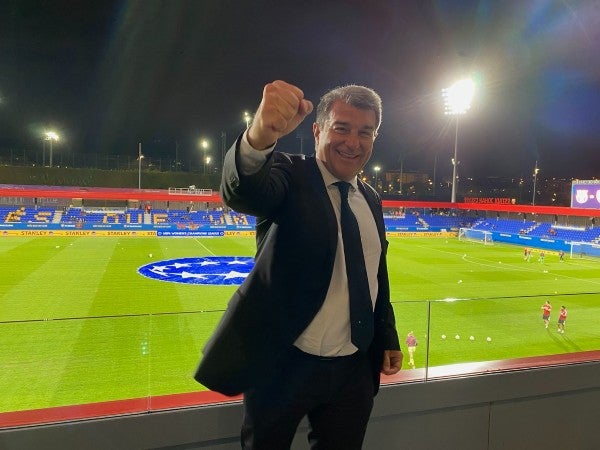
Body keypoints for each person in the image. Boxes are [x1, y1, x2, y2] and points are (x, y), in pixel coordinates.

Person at [195, 80, 402, 449]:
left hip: (353, 368)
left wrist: (386, 336)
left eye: (365, 132)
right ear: (318, 130)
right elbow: (244, 190)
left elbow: (375, 274)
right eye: (342, 128)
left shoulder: (371, 199)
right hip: (283, 364)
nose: (353, 142)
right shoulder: (290, 176)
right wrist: (260, 136)